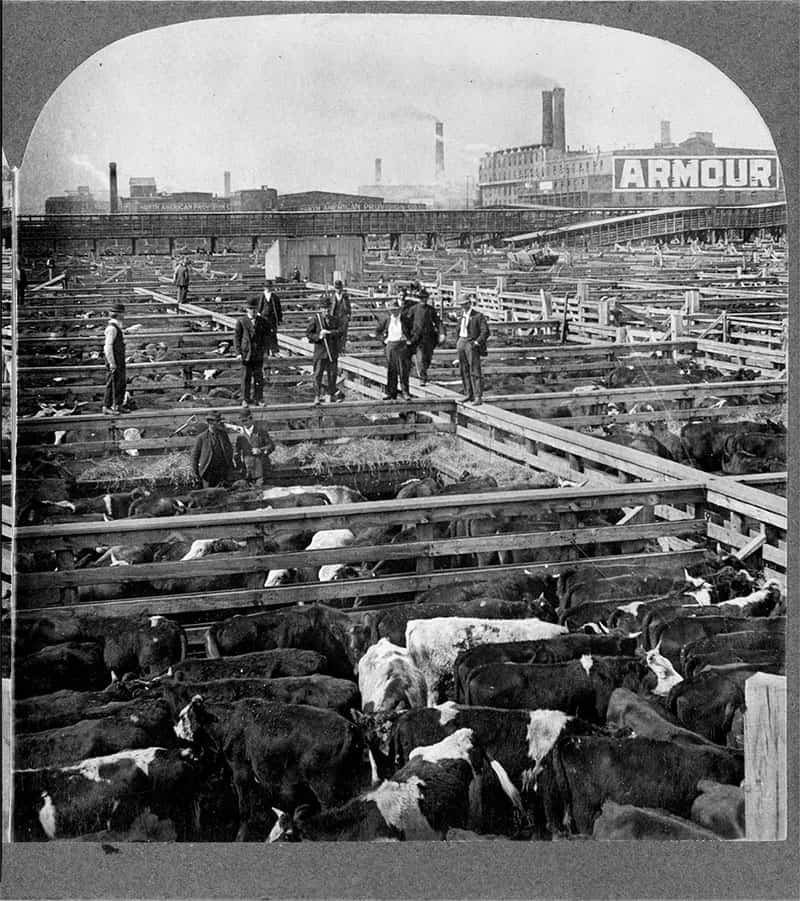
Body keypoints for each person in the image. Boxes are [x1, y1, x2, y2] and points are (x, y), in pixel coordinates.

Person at [375, 297, 413, 401]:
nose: (394, 312)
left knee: (403, 370)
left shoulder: (405, 319)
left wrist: (410, 341)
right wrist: (384, 340)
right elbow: (377, 332)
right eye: (392, 310)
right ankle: (391, 393)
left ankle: (405, 392)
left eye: (395, 310)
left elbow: (414, 331)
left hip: (402, 346)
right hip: (390, 346)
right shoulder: (387, 320)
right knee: (391, 370)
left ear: (399, 310)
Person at [306, 294, 341, 404]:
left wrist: (329, 333)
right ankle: (317, 395)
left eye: (327, 308)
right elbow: (308, 334)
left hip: (332, 352)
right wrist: (319, 336)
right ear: (320, 309)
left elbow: (340, 332)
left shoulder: (334, 320)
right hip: (320, 353)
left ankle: (329, 394)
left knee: (332, 374)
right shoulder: (316, 320)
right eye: (324, 308)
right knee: (317, 375)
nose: (326, 311)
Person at [234, 298, 270, 405]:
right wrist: (238, 353)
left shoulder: (262, 321)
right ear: (247, 310)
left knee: (259, 377)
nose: (253, 312)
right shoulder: (241, 321)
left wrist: (266, 352)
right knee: (246, 377)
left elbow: (266, 338)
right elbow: (237, 338)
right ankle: (245, 399)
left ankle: (258, 398)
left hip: (258, 354)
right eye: (251, 309)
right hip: (246, 354)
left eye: (255, 309)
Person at [456, 295, 490, 405]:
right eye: (461, 304)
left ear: (469, 303)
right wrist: (459, 342)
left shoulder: (478, 316)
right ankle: (468, 394)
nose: (463, 306)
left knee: (475, 370)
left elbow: (485, 332)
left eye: (465, 304)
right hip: (462, 341)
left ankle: (477, 396)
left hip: (471, 344)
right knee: (464, 369)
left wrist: (477, 342)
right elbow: (458, 329)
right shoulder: (461, 315)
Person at [191, 411, 235, 488]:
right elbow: (194, 457)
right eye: (217, 421)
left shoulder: (223, 435)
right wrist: (196, 474)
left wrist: (230, 468)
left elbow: (229, 451)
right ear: (210, 422)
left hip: (222, 472)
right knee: (209, 496)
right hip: (208, 473)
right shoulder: (201, 438)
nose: (219, 423)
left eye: (219, 421)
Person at [233, 407, 275, 486]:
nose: (244, 423)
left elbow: (271, 446)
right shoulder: (240, 436)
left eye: (245, 420)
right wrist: (240, 467)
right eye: (242, 421)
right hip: (247, 471)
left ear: (251, 419)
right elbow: (236, 453)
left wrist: (261, 450)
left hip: (261, 469)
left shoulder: (261, 432)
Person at [409, 288, 442, 386]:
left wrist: (442, 333)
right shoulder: (413, 309)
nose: (423, 300)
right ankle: (422, 378)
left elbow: (437, 322)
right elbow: (407, 322)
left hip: (429, 338)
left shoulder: (431, 310)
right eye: (421, 298)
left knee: (427, 358)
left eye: (425, 298)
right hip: (417, 338)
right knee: (420, 358)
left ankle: (423, 372)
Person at [102, 302, 127, 415]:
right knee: (112, 382)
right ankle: (106, 406)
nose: (124, 315)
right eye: (122, 313)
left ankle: (118, 405)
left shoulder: (116, 326)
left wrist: (129, 330)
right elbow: (108, 347)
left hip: (119, 359)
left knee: (121, 382)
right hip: (114, 359)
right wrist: (112, 363)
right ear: (118, 315)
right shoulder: (112, 328)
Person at [261, 280, 283, 357]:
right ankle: (265, 352)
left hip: (272, 319)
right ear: (264, 287)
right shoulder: (261, 296)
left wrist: (279, 319)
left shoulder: (275, 297)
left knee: (273, 335)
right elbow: (258, 309)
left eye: (269, 287)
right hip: (263, 319)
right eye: (266, 287)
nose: (268, 288)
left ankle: (275, 351)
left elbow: (279, 309)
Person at [329, 279, 351, 348]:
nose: (338, 290)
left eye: (339, 288)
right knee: (335, 333)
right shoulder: (332, 297)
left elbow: (349, 307)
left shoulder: (345, 297)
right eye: (337, 288)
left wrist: (348, 316)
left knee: (343, 333)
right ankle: (336, 348)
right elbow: (330, 308)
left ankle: (342, 348)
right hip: (335, 317)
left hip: (343, 317)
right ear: (335, 288)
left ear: (342, 288)